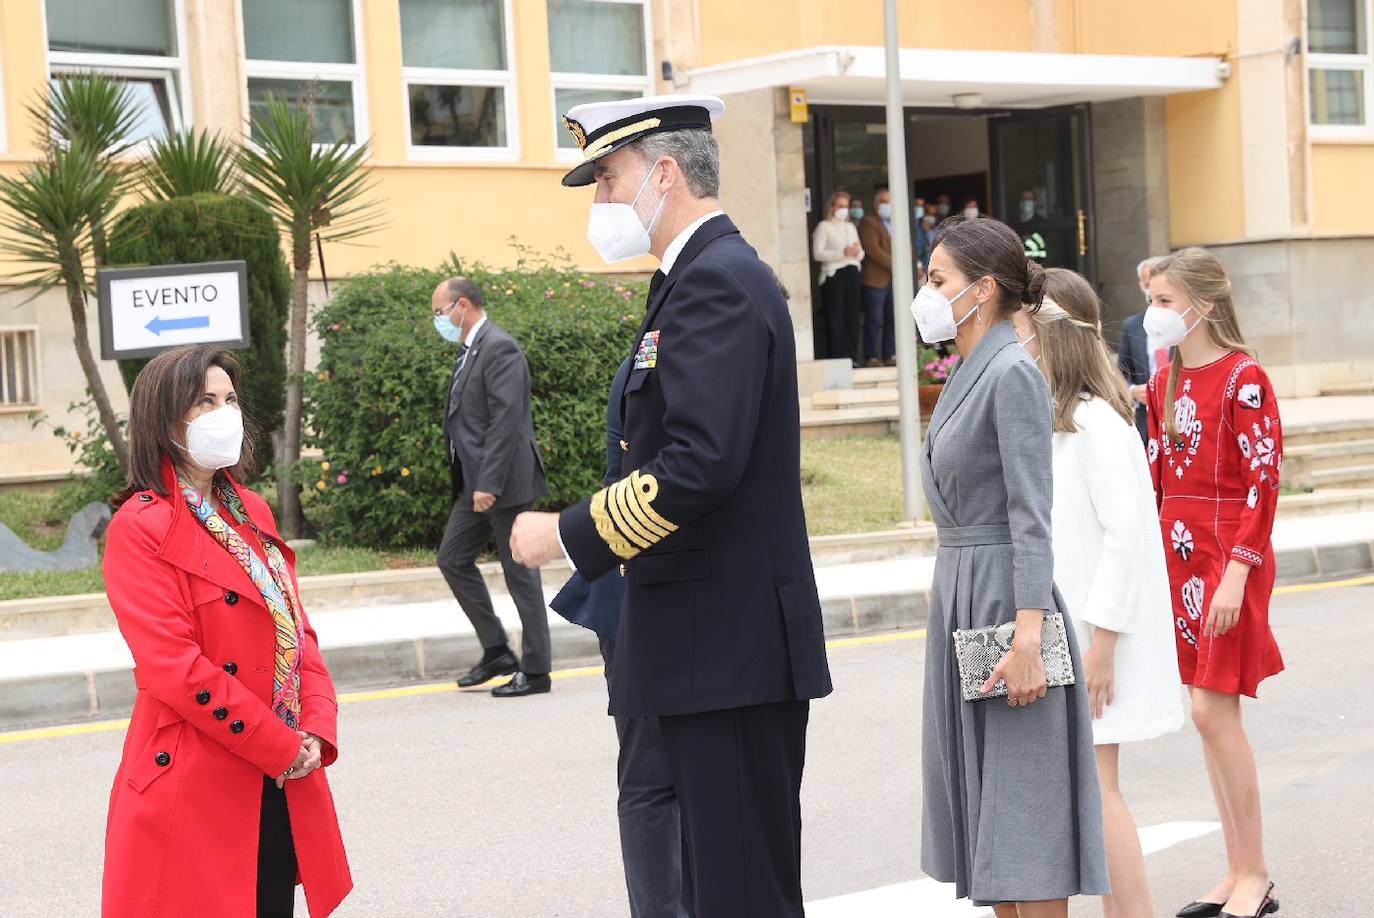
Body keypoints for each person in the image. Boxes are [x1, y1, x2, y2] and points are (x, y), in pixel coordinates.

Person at [512, 93, 833, 918]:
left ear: (663, 173)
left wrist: (567, 533)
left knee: (741, 893)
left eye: (608, 179)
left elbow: (699, 464)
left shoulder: (716, 282)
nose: (601, 201)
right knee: (717, 885)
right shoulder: (692, 279)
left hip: (727, 653)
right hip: (707, 650)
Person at [101, 346, 351, 918]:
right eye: (205, 402)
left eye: (230, 399)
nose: (225, 414)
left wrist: (316, 727)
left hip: (281, 774)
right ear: (165, 422)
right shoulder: (139, 527)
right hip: (199, 780)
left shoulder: (252, 510)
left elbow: (296, 632)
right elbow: (175, 669)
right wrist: (280, 746)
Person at [912, 214, 1108, 915]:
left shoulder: (1012, 373)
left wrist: (1029, 637)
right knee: (987, 822)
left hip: (1005, 602)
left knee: (1026, 820)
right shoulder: (972, 369)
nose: (926, 292)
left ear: (984, 288)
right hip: (963, 592)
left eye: (937, 279)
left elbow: (1032, 514)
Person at [1015, 269, 1185, 918]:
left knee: (1099, 790)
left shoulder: (1094, 423)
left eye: (1020, 324)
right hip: (1070, 634)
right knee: (1088, 790)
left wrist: (1104, 643)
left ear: (1048, 331)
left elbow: (1126, 538)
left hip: (1093, 639)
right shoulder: (1060, 419)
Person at [1145, 248, 1284, 918]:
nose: (1153, 314)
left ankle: (1254, 872)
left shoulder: (1243, 378)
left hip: (1231, 558)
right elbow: (1157, 478)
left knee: (1210, 711)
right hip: (1179, 555)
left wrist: (1237, 572)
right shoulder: (1161, 382)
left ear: (1202, 305)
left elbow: (1264, 479)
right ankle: (1236, 869)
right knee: (1208, 719)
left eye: (1164, 302)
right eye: (1151, 301)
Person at [550, 356, 695, 918]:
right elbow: (672, 473)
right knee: (654, 779)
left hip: (650, 587)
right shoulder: (675, 355)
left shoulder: (666, 349)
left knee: (674, 779)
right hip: (643, 588)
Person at [432, 277, 553, 697]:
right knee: (452, 559)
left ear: (462, 305)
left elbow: (506, 421)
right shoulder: (470, 349)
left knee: (521, 573)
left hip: (502, 483)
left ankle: (536, 671)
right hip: (475, 482)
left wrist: (488, 483)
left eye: (440, 311)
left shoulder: (500, 347)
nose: (438, 320)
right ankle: (498, 651)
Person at [811, 190, 864, 366]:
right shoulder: (824, 226)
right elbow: (818, 253)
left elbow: (861, 253)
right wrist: (842, 253)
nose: (844, 210)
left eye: (846, 206)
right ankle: (837, 358)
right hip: (834, 274)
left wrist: (857, 252)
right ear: (832, 207)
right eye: (840, 206)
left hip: (852, 272)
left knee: (852, 317)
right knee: (836, 318)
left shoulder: (850, 227)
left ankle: (852, 357)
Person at [1118, 256, 1163, 444]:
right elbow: (1121, 373)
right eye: (1148, 285)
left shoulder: (1184, 322)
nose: (1153, 291)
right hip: (1146, 423)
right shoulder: (1132, 326)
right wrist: (1133, 391)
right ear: (1141, 287)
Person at [858, 186, 897, 367]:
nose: (886, 205)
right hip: (874, 280)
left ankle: (889, 354)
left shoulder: (896, 223)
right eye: (882, 202)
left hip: (892, 280)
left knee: (892, 318)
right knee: (873, 320)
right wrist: (897, 265)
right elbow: (873, 250)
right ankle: (872, 356)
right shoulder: (868, 222)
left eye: (889, 202)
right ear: (875, 204)